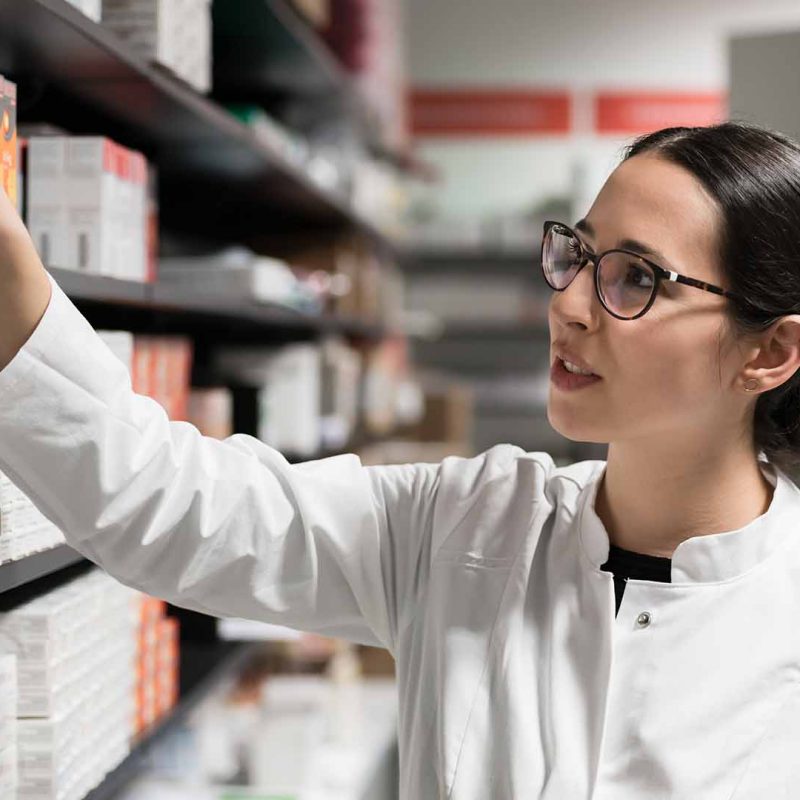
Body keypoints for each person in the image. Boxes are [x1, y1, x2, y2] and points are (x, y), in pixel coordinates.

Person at [1, 121, 800, 798]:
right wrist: (12, 287)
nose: (568, 305)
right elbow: (165, 504)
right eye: (578, 256)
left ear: (769, 350)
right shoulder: (468, 527)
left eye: (635, 279)